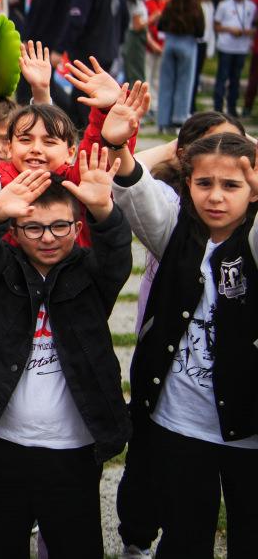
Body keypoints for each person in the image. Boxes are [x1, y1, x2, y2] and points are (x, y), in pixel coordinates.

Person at [0, 160, 132, 558]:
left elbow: (117, 253)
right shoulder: (2, 273)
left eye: (60, 226)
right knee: (2, 545)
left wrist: (104, 211)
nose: (48, 238)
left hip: (74, 448)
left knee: (77, 545)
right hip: (4, 445)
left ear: (77, 227)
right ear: (15, 233)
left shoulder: (92, 275)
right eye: (34, 228)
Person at [111, 130, 258, 558]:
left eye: (232, 186)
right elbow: (133, 189)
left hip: (248, 431)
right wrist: (119, 144)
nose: (215, 196)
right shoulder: (175, 233)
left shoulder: (251, 242)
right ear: (187, 183)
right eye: (204, 183)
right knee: (184, 537)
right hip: (180, 423)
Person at [61, 0, 127, 124]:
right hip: (110, 51)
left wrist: (61, 48)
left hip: (88, 54)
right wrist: (117, 43)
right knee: (102, 95)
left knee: (84, 97)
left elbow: (76, 21)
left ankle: (86, 135)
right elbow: (125, 17)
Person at [156, 0, 205, 133]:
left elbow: (161, 25)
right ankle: (179, 119)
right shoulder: (196, 7)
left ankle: (163, 121)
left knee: (166, 83)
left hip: (170, 44)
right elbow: (200, 31)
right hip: (188, 44)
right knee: (185, 83)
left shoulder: (171, 5)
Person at [212, 0, 255, 116]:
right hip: (226, 46)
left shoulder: (251, 6)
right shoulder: (224, 5)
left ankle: (232, 108)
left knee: (235, 79)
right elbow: (216, 26)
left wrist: (247, 32)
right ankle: (218, 108)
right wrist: (229, 29)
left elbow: (253, 27)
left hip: (242, 48)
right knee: (222, 78)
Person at [144, 0, 169, 113]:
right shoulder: (147, 4)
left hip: (166, 47)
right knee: (147, 77)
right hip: (150, 47)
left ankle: (158, 106)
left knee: (159, 79)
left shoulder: (171, 4)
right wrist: (153, 44)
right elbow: (143, 27)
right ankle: (148, 107)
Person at [121, 0, 149, 85]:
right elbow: (137, 25)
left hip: (129, 37)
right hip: (135, 39)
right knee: (136, 72)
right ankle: (137, 99)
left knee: (130, 72)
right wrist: (153, 18)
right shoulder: (136, 1)